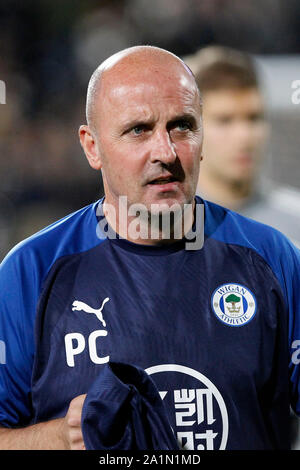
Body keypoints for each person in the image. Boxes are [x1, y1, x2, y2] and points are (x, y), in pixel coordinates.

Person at [0, 45, 299, 451]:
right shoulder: (31, 272)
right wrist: (57, 437)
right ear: (92, 146)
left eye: (181, 126)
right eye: (139, 129)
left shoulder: (272, 258)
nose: (166, 153)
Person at [184, 45, 300, 247]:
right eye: (225, 120)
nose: (244, 136)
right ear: (192, 127)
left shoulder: (294, 222)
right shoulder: (164, 227)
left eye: (254, 118)